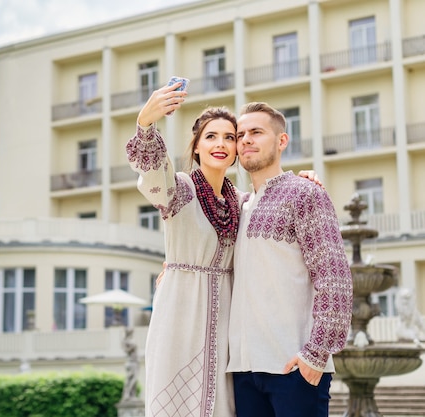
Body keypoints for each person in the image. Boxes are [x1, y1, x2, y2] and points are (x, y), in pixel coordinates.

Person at [126, 83, 322, 417]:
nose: (222, 144)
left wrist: (305, 180)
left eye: (230, 137)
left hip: (229, 327)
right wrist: (145, 123)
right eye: (211, 136)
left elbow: (273, 205)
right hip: (181, 316)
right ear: (197, 147)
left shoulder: (242, 204)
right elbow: (152, 172)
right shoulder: (179, 190)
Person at [227, 102, 353, 417]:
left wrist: (315, 355)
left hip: (293, 368)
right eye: (240, 134)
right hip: (243, 370)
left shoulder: (304, 194)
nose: (245, 140)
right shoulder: (238, 208)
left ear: (282, 141)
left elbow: (334, 278)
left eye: (256, 132)